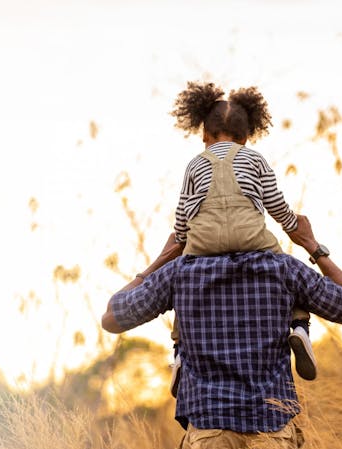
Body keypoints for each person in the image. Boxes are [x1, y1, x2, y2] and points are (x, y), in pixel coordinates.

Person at [102, 215, 342, 449]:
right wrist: (312, 245)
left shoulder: (180, 272)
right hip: (271, 430)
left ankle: (180, 353)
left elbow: (113, 317)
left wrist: (161, 260)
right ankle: (300, 327)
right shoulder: (283, 267)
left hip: (209, 430)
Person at [123, 82, 320, 386]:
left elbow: (181, 223)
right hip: (253, 242)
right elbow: (278, 208)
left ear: (205, 135)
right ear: (246, 136)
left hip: (202, 246)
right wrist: (297, 226)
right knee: (286, 273)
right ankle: (300, 327)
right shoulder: (255, 160)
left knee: (184, 282)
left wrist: (178, 243)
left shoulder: (194, 165)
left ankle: (179, 352)